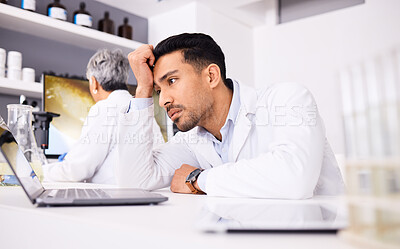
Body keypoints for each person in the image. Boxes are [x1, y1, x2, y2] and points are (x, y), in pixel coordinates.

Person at [116, 33, 345, 198]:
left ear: (212, 76)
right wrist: (142, 90)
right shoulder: (191, 141)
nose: (163, 100)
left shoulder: (287, 99)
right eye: (158, 90)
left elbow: (295, 179)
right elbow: (134, 182)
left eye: (172, 81)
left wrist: (198, 179)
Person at [43, 49, 163, 184]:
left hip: (116, 196)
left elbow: (76, 171)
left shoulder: (104, 108)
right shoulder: (142, 109)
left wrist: (40, 172)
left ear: (93, 83)